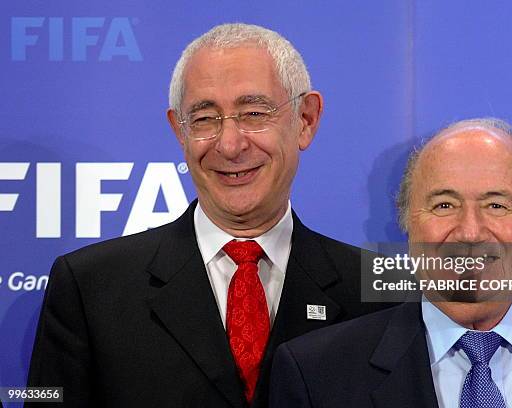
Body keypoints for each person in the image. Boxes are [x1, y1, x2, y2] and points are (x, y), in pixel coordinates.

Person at [26, 23, 390, 408]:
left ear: (305, 119)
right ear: (178, 131)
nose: (230, 145)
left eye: (253, 113)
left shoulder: (379, 289)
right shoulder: (89, 286)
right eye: (203, 119)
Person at [270, 118, 512, 408]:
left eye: (496, 205)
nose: (470, 232)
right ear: (407, 223)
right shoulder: (318, 374)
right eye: (444, 205)